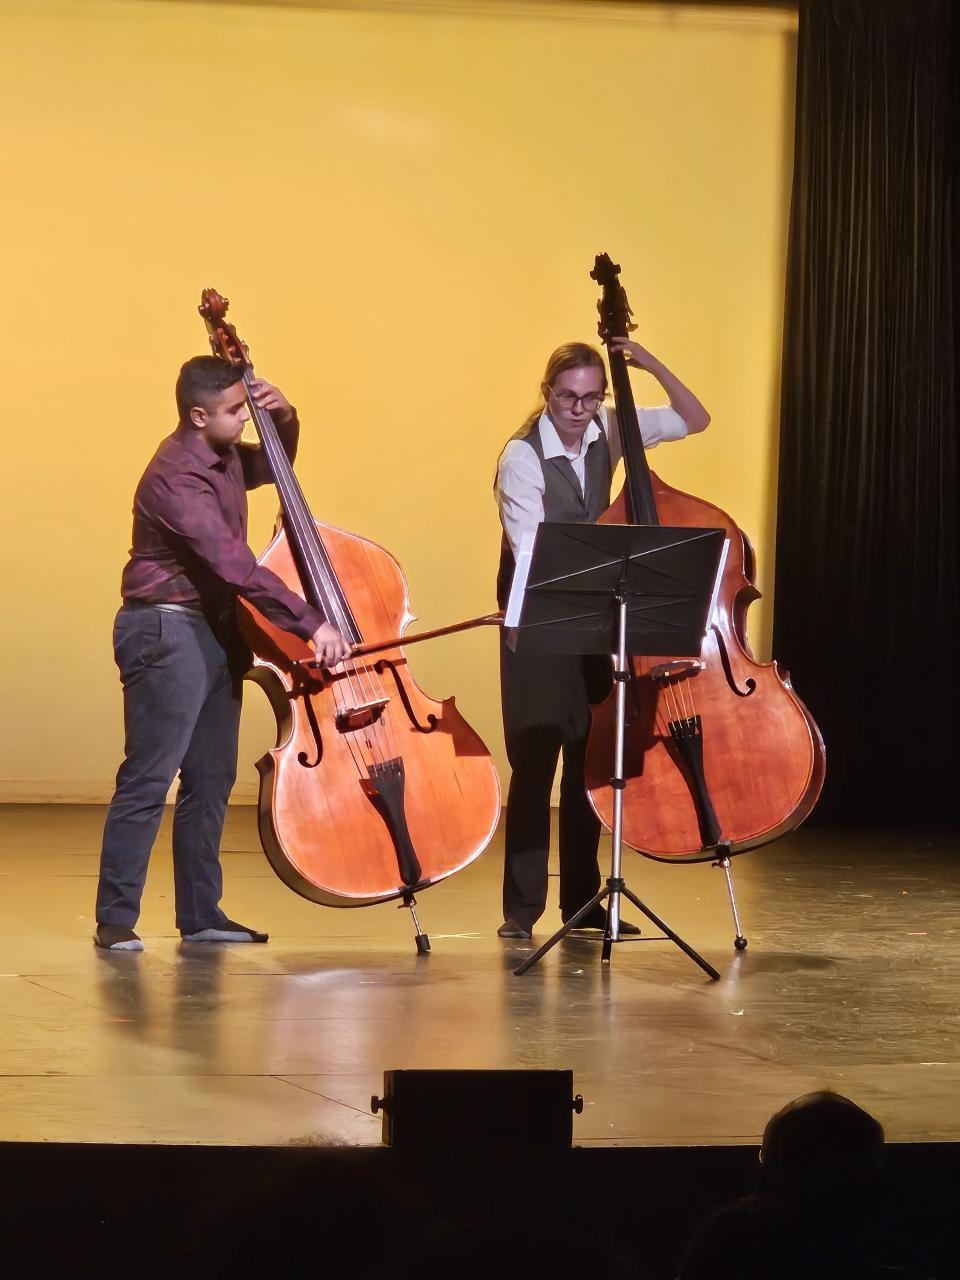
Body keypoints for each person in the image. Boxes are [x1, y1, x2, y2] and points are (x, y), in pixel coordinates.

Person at [94, 356, 350, 952]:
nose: (246, 418)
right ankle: (115, 919)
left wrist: (286, 417)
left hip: (212, 628)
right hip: (165, 628)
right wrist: (312, 623)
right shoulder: (175, 478)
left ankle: (201, 916)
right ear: (198, 415)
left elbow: (275, 466)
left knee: (211, 777)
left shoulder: (226, 453)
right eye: (238, 411)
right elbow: (235, 565)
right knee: (149, 776)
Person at [494, 338, 710, 939]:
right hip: (536, 619)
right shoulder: (521, 456)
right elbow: (531, 552)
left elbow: (695, 419)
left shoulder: (610, 428)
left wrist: (647, 362)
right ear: (547, 393)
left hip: (595, 617)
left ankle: (582, 904)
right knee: (535, 761)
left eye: (591, 397)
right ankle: (521, 912)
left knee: (588, 760)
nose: (579, 409)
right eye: (568, 396)